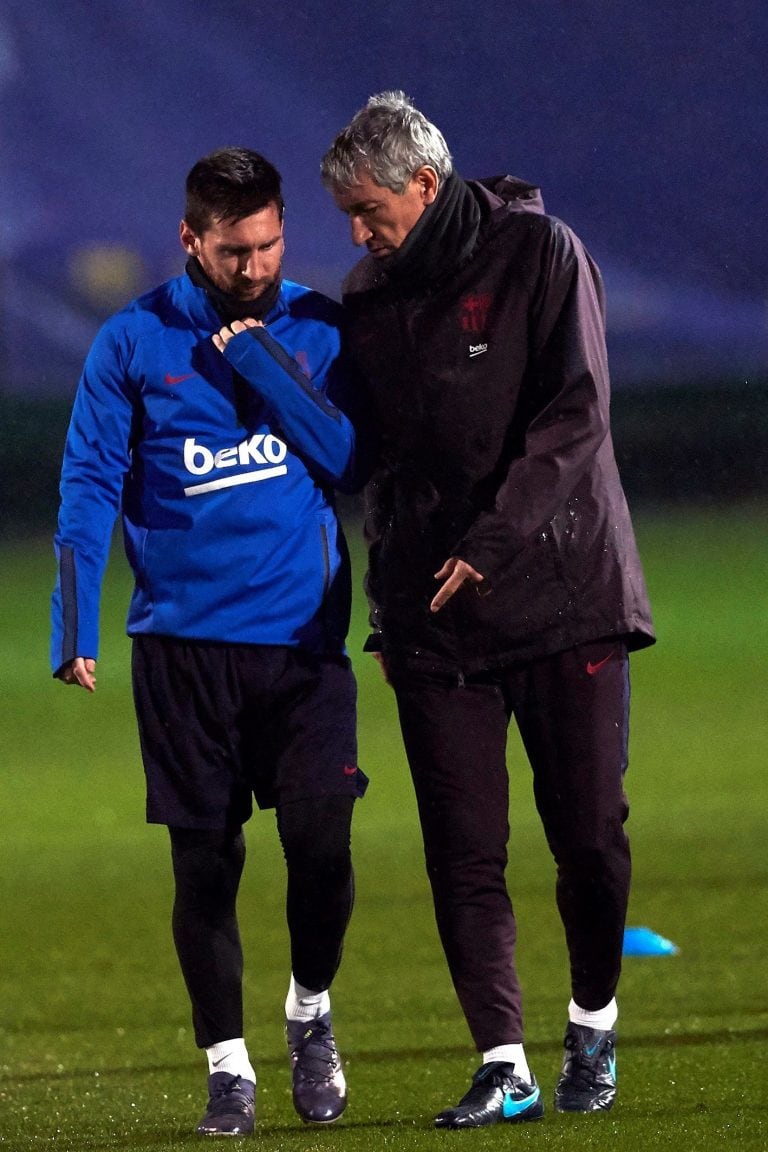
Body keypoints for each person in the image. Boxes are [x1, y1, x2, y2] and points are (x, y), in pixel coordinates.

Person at [321, 92, 655, 1128]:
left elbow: (577, 415)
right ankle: (503, 1063)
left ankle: (592, 1023)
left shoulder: (542, 253)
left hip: (564, 595)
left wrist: (491, 542)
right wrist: (386, 607)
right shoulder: (368, 295)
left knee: (589, 839)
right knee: (462, 850)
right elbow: (378, 468)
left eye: (370, 208)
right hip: (437, 620)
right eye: (349, 217)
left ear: (426, 184)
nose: (360, 233)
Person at [50, 147, 369, 1136]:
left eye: (271, 244)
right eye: (235, 251)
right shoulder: (132, 342)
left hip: (304, 644)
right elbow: (90, 484)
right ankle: (228, 1066)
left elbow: (350, 460)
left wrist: (262, 361)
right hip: (184, 651)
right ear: (190, 240)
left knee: (321, 845)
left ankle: (309, 1011)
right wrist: (75, 623)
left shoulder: (317, 328)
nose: (258, 266)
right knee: (205, 868)